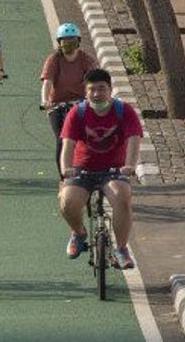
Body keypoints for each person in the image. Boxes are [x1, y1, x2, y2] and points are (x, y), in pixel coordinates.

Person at [59, 68, 142, 270]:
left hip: (114, 171)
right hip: (82, 170)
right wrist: (66, 168)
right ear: (85, 92)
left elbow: (134, 140)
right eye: (92, 90)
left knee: (122, 197)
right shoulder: (77, 113)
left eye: (102, 89)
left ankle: (121, 249)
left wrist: (129, 165)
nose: (97, 94)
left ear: (110, 89)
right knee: (67, 202)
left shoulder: (124, 111)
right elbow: (67, 145)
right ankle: (78, 234)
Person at [41, 22, 97, 175]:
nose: (69, 46)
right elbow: (47, 82)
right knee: (62, 138)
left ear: (78, 42)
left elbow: (95, 80)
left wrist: (93, 99)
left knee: (90, 137)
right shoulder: (54, 60)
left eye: (72, 42)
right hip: (57, 105)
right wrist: (45, 101)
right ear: (59, 43)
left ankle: (92, 169)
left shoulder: (86, 59)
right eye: (65, 42)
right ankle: (63, 177)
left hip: (81, 103)